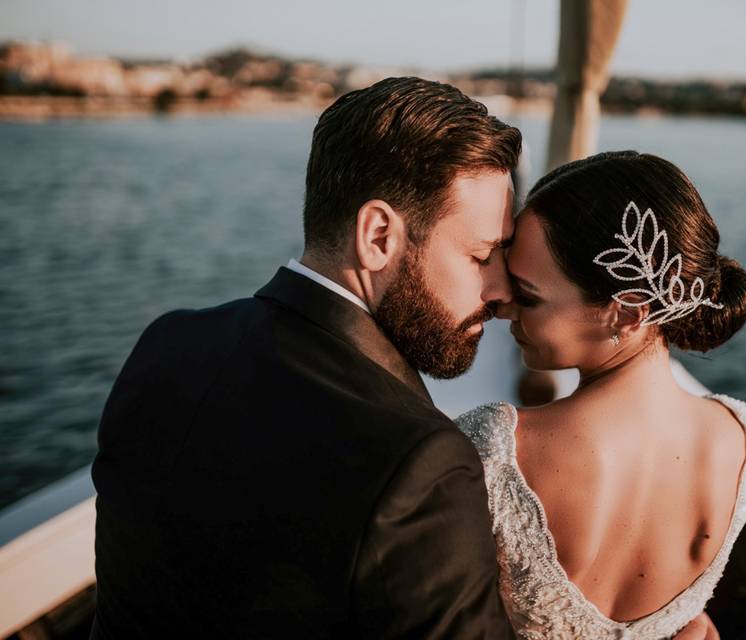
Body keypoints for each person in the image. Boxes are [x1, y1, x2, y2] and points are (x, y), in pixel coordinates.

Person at [89, 76, 522, 639]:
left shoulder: (168, 345)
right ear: (378, 236)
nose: (503, 289)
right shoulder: (423, 465)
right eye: (482, 254)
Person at [457, 151, 746, 639]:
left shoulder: (493, 449)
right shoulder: (738, 437)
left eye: (529, 295)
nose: (504, 308)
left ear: (627, 311)